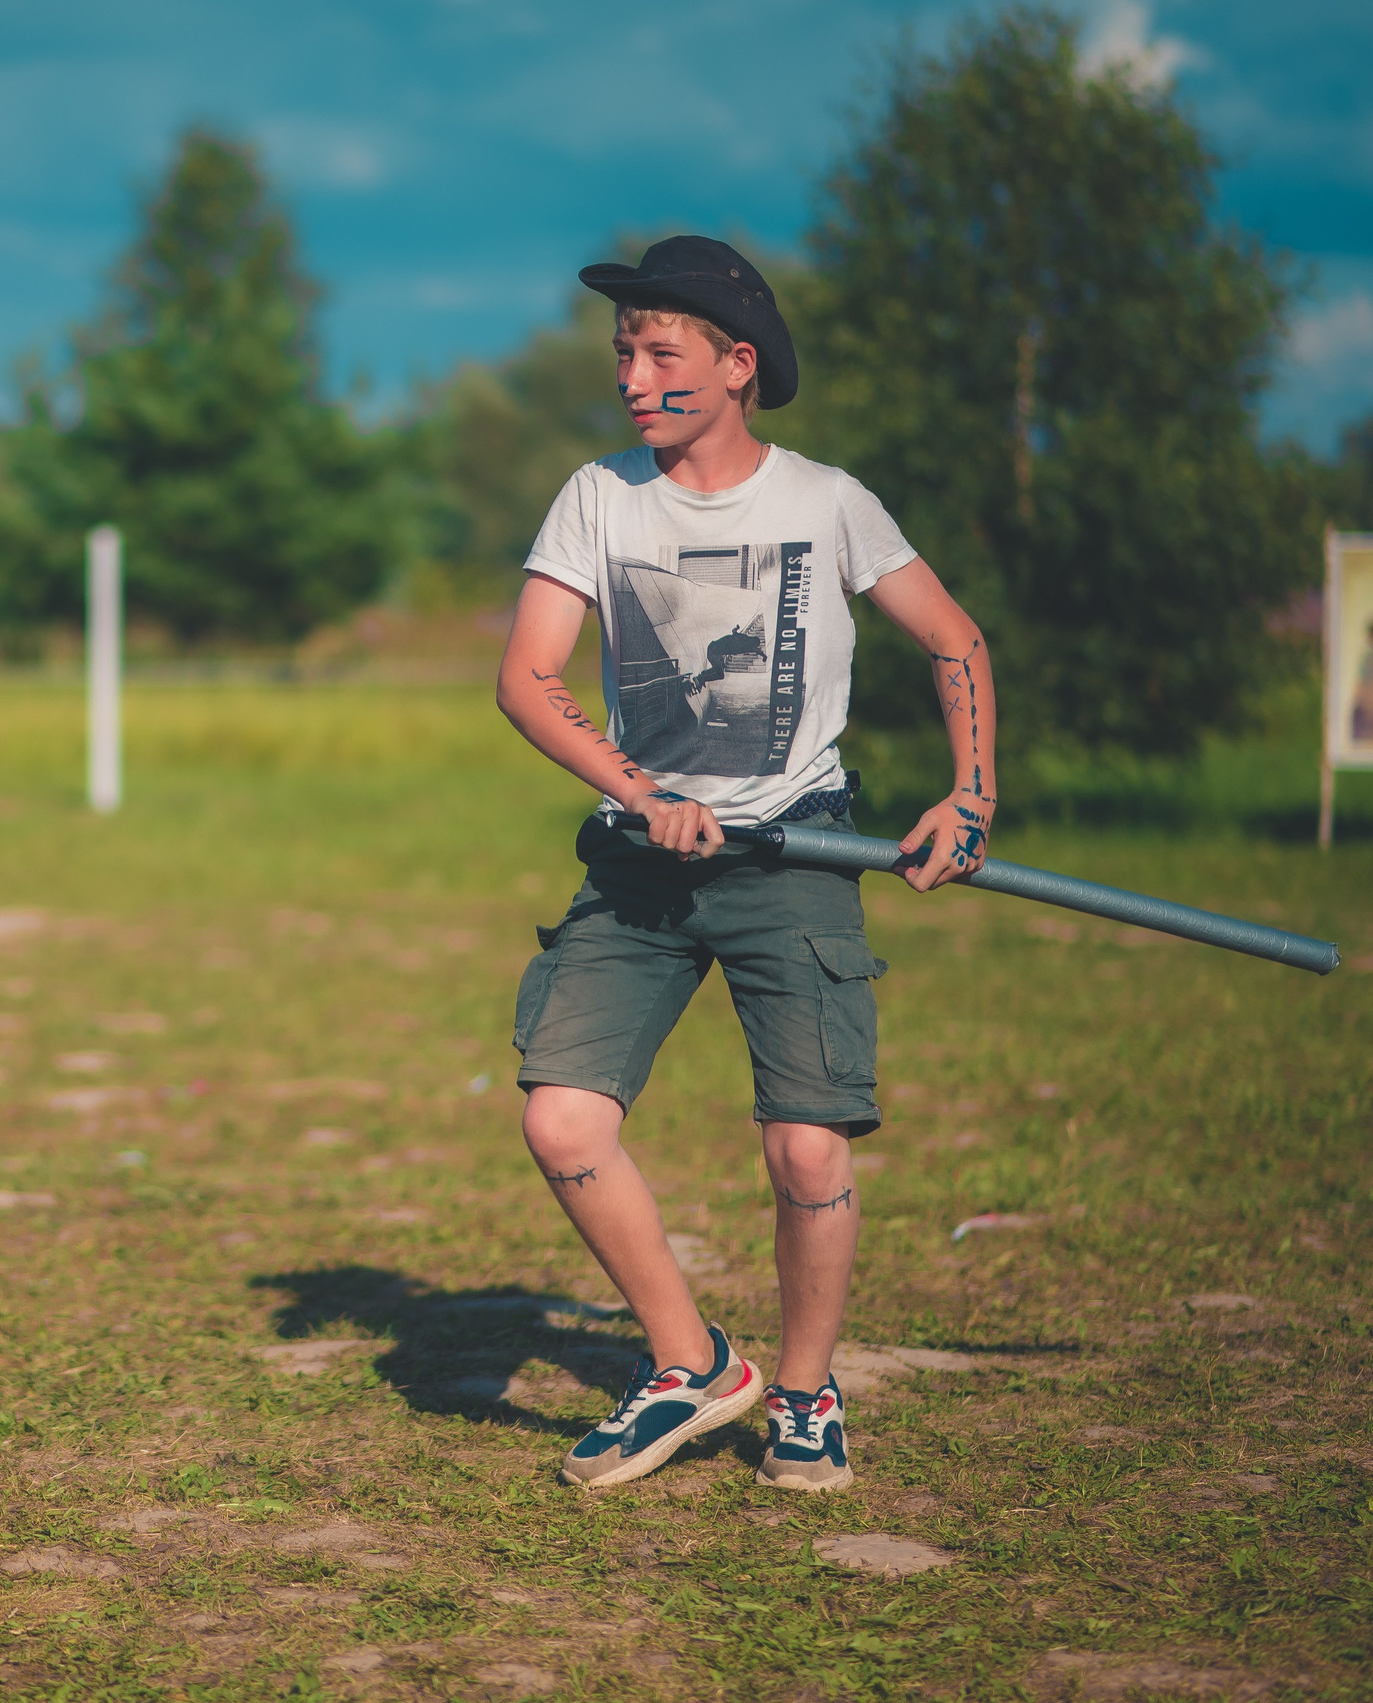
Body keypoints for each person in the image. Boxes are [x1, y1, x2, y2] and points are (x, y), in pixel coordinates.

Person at [495, 236, 997, 1492]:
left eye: (660, 352)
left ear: (737, 365)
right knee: (560, 1115)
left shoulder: (825, 501)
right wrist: (638, 788)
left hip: (792, 854)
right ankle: (692, 1364)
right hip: (641, 865)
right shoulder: (598, 498)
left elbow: (953, 637)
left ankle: (807, 1392)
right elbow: (527, 675)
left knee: (808, 1150)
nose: (631, 375)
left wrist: (970, 793)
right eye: (623, 351)